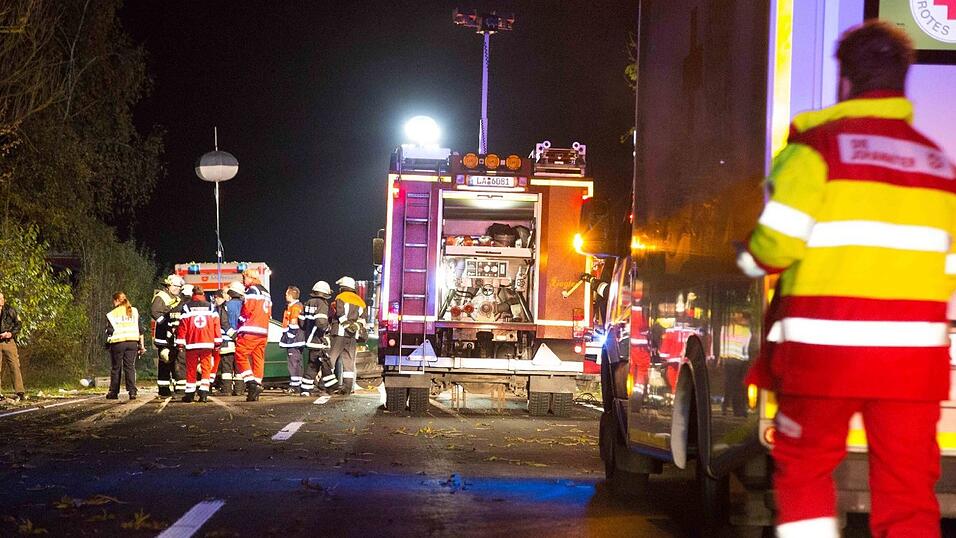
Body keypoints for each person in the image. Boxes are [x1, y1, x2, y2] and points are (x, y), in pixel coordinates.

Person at [736, 21, 955, 538]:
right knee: (907, 488)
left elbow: (778, 245)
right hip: (912, 365)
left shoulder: (818, 150)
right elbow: (944, 266)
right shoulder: (938, 164)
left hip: (824, 358)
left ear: (846, 79)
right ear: (905, 79)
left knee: (807, 469)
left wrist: (746, 259)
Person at [175, 286, 221, 403]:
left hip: (192, 343)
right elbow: (216, 324)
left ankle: (190, 394)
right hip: (207, 342)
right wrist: (217, 341)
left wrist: (180, 342)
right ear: (203, 294)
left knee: (191, 368)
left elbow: (182, 326)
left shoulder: (187, 307)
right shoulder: (211, 307)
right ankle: (204, 393)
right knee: (206, 368)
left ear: (192, 294)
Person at [234, 269, 271, 401]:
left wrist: (240, 324)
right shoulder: (266, 292)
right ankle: (255, 388)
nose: (243, 281)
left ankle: (251, 383)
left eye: (244, 278)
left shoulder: (252, 290)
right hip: (263, 331)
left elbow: (247, 310)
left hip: (250, 330)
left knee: (240, 355)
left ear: (250, 277)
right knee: (258, 359)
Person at [327, 276, 366, 395]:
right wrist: (354, 327)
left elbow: (339, 313)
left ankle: (327, 385)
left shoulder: (340, 297)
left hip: (339, 334)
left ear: (343, 287)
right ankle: (347, 388)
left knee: (331, 359)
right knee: (349, 362)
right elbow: (363, 320)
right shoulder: (361, 301)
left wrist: (345, 325)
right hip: (352, 336)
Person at [105, 292, 145, 400]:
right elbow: (140, 330)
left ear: (117, 301)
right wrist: (142, 346)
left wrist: (107, 343)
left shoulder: (112, 314)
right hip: (132, 342)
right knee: (130, 367)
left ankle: (114, 392)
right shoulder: (134, 311)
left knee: (116, 368)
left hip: (118, 343)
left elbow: (109, 331)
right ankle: (132, 391)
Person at [150, 274, 184, 397]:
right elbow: (155, 312)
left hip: (174, 336)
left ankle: (176, 386)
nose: (178, 289)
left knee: (176, 361)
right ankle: (163, 389)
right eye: (176, 286)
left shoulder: (177, 298)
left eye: (179, 287)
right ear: (169, 285)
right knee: (165, 361)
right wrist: (167, 324)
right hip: (164, 336)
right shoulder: (161, 297)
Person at [299, 281, 332, 396]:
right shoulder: (321, 303)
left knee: (313, 364)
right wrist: (327, 329)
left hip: (309, 339)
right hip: (318, 340)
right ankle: (331, 387)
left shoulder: (307, 303)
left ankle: (305, 389)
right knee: (325, 363)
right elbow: (321, 322)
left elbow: (301, 323)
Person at [718, 311, 751, 417]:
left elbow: (722, 345)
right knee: (737, 386)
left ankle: (725, 406)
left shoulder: (725, 329)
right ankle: (737, 409)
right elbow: (746, 349)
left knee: (729, 384)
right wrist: (746, 362)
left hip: (728, 360)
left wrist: (721, 358)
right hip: (740, 361)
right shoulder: (746, 331)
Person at [212, 286, 241, 395]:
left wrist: (232, 334)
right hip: (240, 340)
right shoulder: (244, 304)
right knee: (239, 366)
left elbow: (223, 322)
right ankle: (239, 390)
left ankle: (227, 390)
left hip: (227, 340)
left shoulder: (224, 307)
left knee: (227, 366)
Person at [279, 286, 306, 394]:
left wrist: (289, 336)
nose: (285, 295)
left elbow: (293, 322)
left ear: (290, 295)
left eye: (286, 294)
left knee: (293, 362)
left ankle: (295, 386)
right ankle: (297, 384)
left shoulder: (295, 307)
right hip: (298, 339)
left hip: (294, 340)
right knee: (297, 362)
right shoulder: (296, 306)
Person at [0, 292, 25, 402]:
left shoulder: (10, 310)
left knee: (14, 365)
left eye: (2, 298)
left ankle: (20, 392)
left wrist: (10, 333)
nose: (1, 300)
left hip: (8, 341)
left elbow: (18, 324)